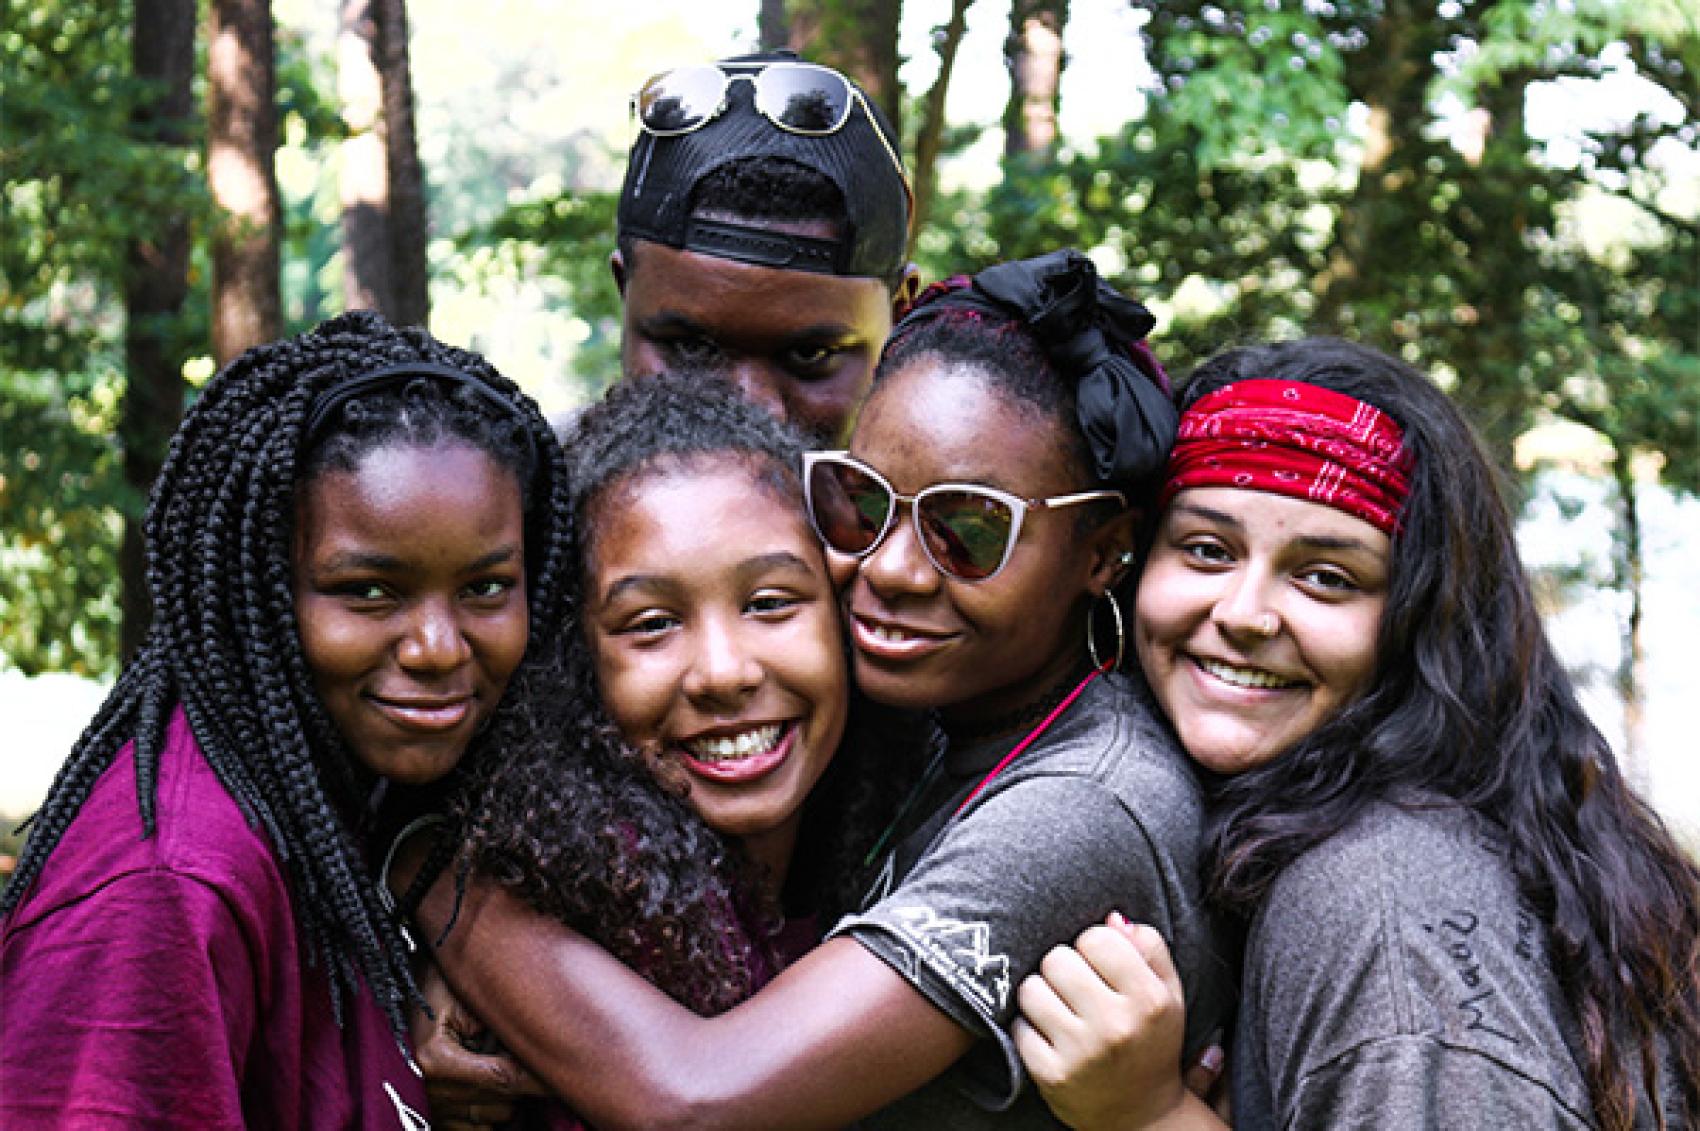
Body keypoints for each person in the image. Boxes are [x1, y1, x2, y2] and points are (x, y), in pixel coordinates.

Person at [401, 249, 1231, 1129]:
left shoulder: (1080, 808)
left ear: (1102, 551)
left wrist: (424, 868)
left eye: (969, 529)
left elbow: (698, 1099)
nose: (894, 567)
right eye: (861, 502)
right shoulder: (930, 721)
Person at [1012, 338, 1700, 1130]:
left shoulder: (1381, 905)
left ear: (1421, 625)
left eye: (1326, 576)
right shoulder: (1319, 836)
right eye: (1206, 549)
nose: (1244, 612)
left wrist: (1148, 1113)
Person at [0, 311, 574, 1129]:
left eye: (486, 587)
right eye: (369, 590)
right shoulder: (167, 889)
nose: (440, 648)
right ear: (259, 590)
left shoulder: (355, 791)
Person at [613, 49, 920, 443]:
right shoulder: (522, 496)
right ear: (625, 291)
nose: (750, 415)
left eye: (811, 355)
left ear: (902, 316)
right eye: (691, 350)